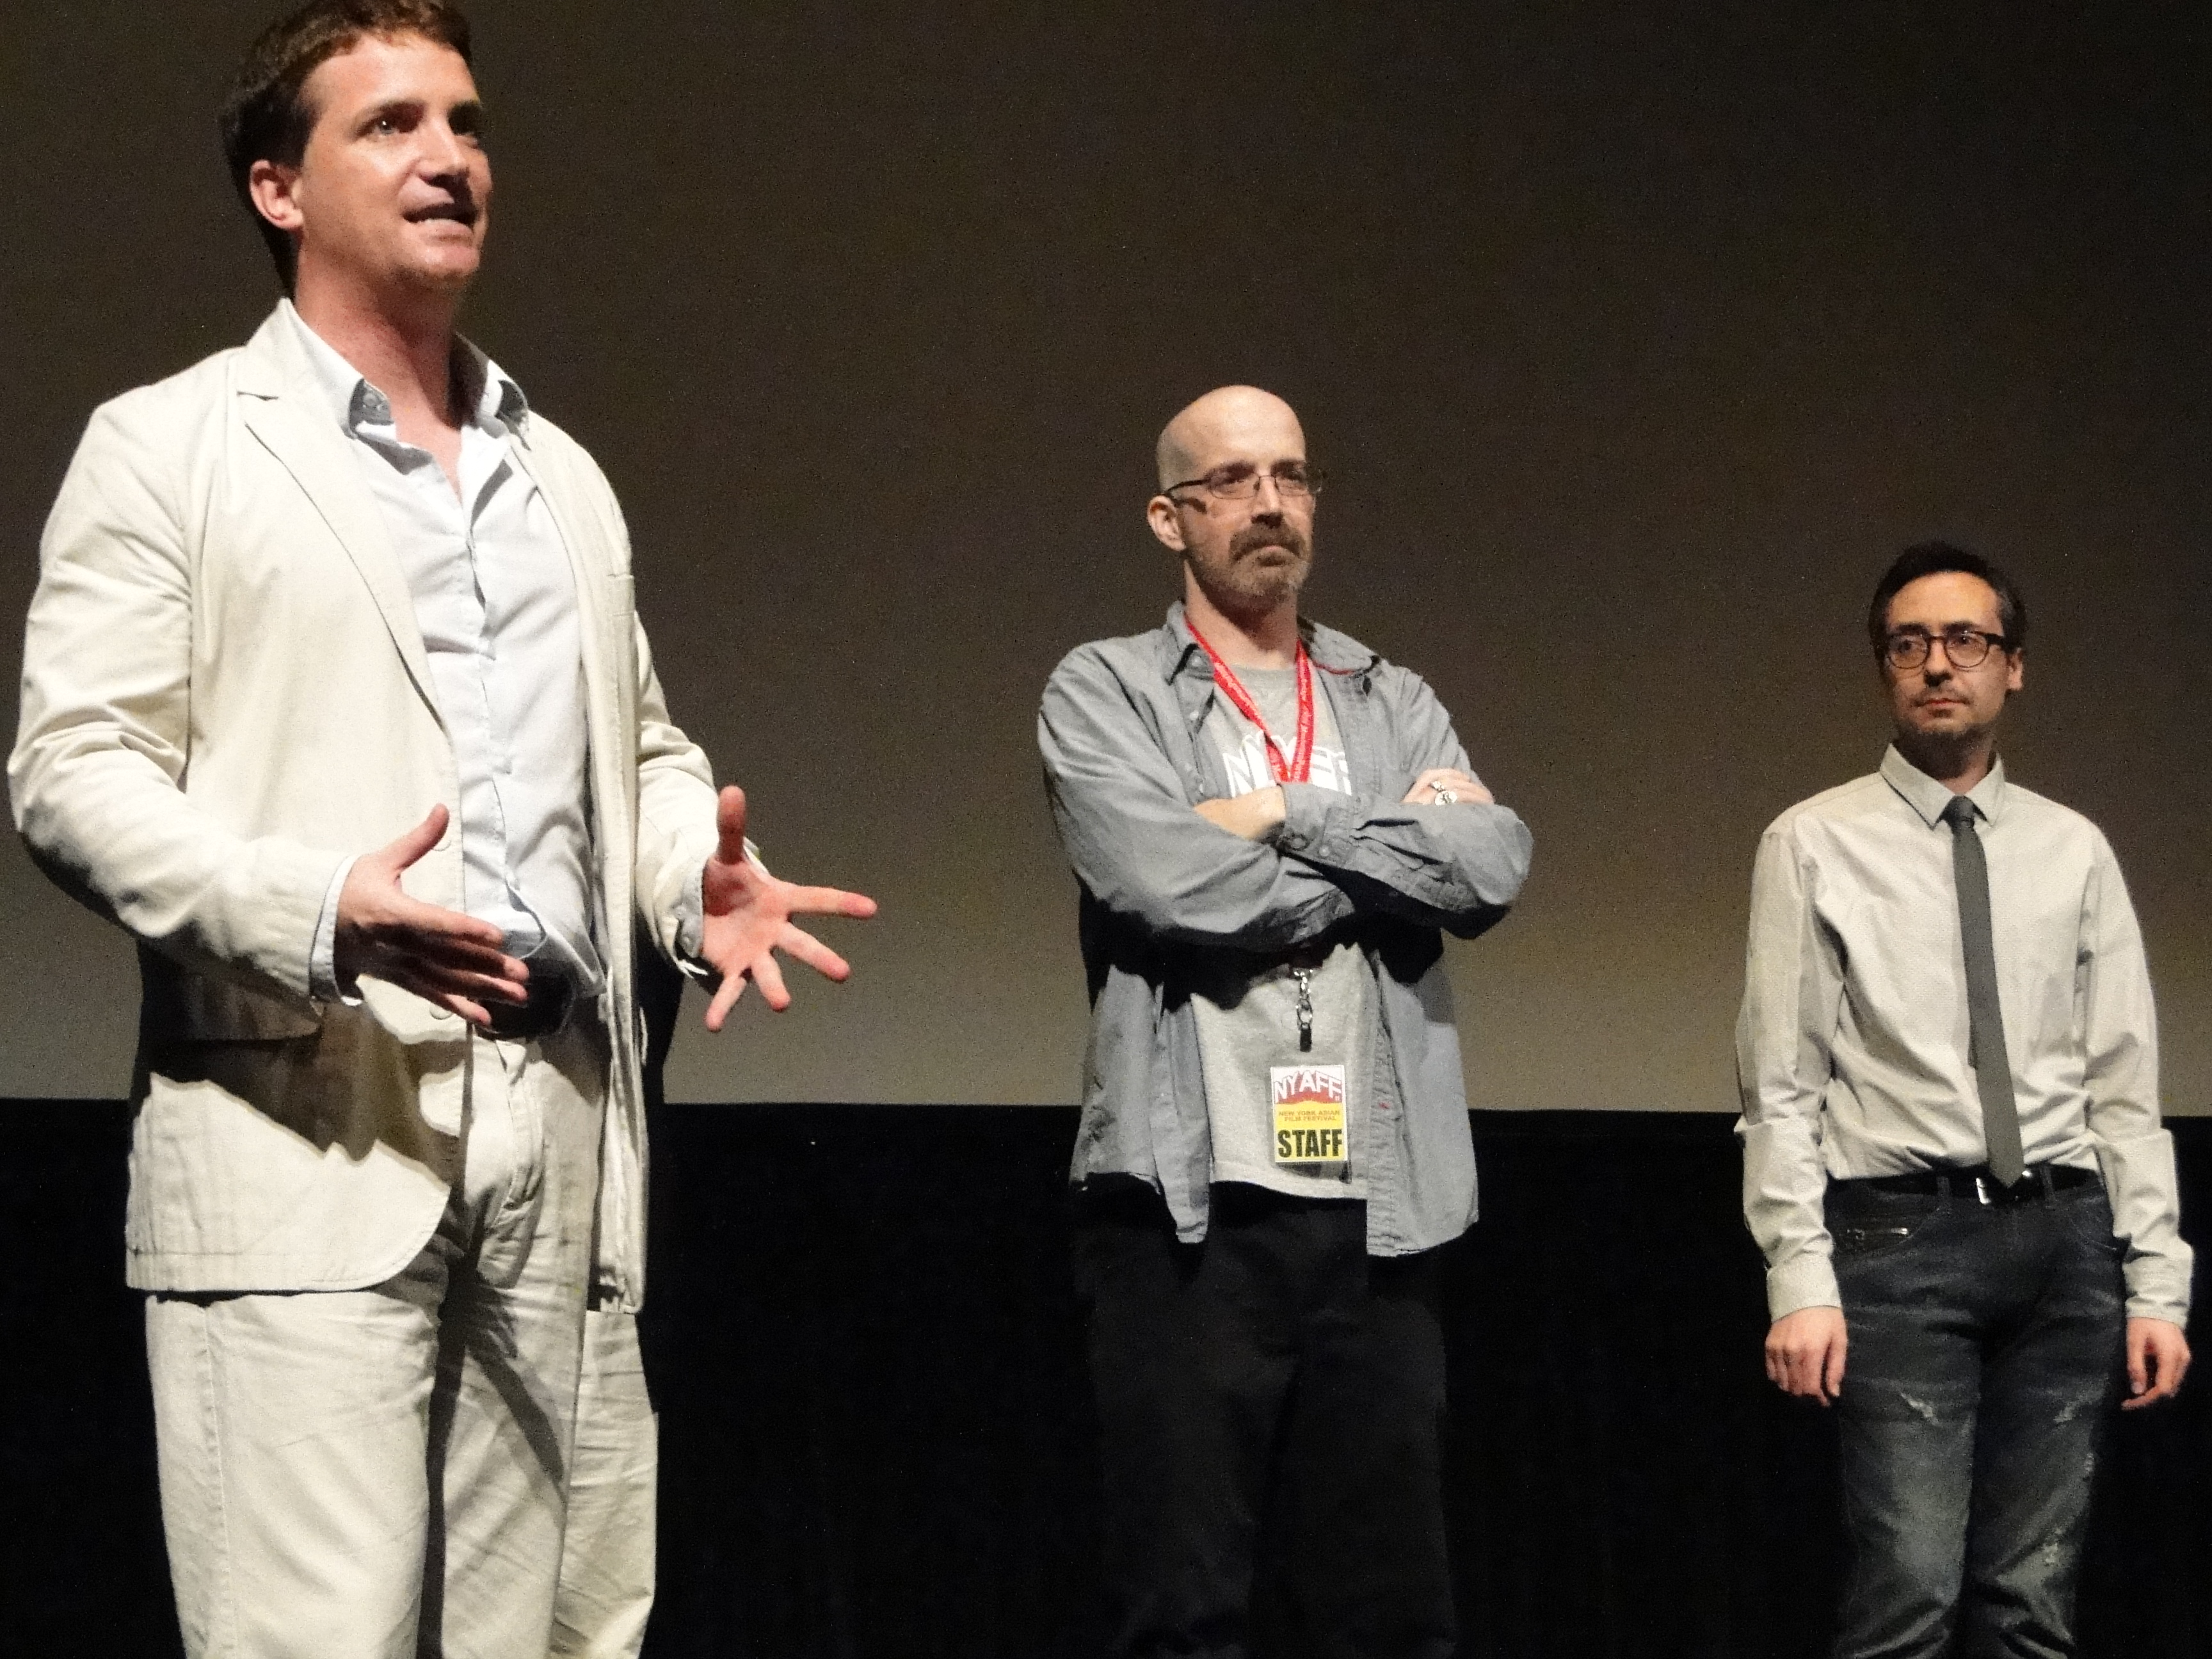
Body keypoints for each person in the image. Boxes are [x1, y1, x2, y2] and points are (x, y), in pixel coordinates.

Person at [8, 3, 874, 1653]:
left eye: (466, 123)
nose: (450, 157)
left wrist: (688, 880)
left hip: (560, 1132)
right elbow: (71, 775)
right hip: (310, 1122)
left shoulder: (560, 476)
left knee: (552, 1637)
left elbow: (637, 750)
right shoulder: (171, 445)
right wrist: (320, 906)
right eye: (391, 123)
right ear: (278, 188)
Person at [1037, 385, 1533, 1658]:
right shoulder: (1107, 689)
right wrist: (1390, 858)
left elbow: (1490, 868)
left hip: (1381, 1212)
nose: (1269, 504)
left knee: (1393, 1616)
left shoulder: (1387, 694)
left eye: (1291, 476)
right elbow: (1166, 885)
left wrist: (1281, 814)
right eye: (1231, 481)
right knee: (1184, 1611)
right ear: (1169, 518)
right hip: (1189, 1217)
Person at [1736, 542, 2192, 1658]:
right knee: (1909, 1593)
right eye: (1910, 645)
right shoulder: (1813, 841)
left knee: (2033, 1607)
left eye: (1967, 641)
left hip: (2068, 1240)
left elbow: (2124, 1084)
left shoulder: (2074, 849)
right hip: (1900, 1243)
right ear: (1884, 669)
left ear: (2013, 666)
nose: (1939, 665)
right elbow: (1781, 1085)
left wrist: (2157, 1283)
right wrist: (1799, 1277)